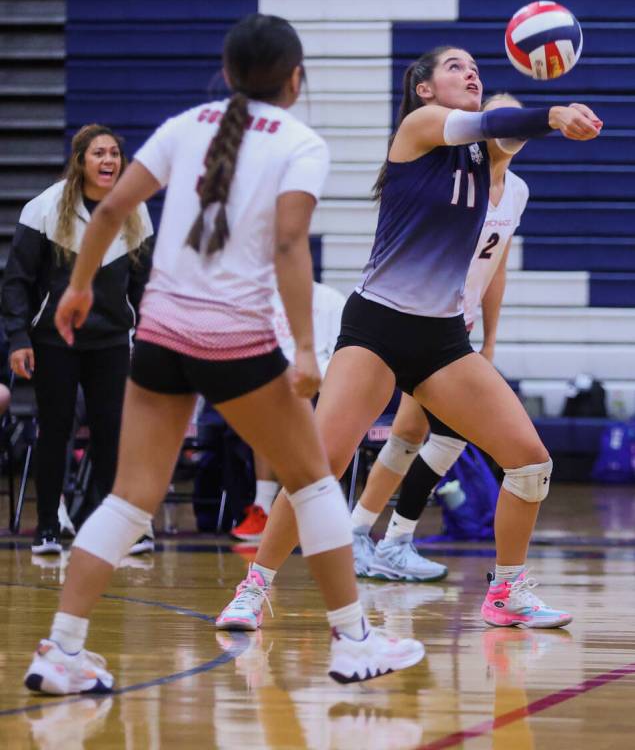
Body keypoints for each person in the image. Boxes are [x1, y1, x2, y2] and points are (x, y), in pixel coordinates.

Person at [23, 14, 424, 696]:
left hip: (158, 336)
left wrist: (80, 286)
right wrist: (303, 347)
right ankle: (355, 639)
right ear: (296, 79)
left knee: (128, 499)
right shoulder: (301, 143)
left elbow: (112, 210)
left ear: (227, 69)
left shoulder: (187, 124)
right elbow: (289, 245)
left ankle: (62, 649)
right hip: (235, 339)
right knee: (315, 483)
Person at [218, 46, 602, 633]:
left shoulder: (488, 154)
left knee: (530, 464)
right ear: (424, 88)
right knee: (321, 465)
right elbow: (497, 121)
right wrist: (552, 114)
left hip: (443, 338)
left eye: (476, 67)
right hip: (377, 325)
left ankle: (506, 592)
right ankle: (253, 589)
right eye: (455, 67)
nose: (471, 72)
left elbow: (504, 133)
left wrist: (551, 118)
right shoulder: (419, 127)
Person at [352, 93, 530, 582]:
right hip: (419, 318)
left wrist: (490, 340)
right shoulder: (455, 181)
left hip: (457, 328)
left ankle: (370, 535)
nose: (510, 125)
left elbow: (496, 270)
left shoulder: (515, 191)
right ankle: (382, 538)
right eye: (501, 116)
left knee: (415, 433)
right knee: (441, 433)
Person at [1, 124, 154, 555]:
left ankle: (119, 532)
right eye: (98, 154)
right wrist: (17, 338)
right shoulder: (44, 208)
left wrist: (148, 336)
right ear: (80, 161)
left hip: (110, 340)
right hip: (54, 340)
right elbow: (16, 281)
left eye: (114, 154)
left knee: (113, 435)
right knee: (55, 431)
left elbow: (145, 284)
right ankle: (47, 527)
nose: (108, 161)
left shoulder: (133, 210)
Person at [231, 280, 345, 541]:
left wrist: (310, 375)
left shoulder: (330, 299)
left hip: (319, 386)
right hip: (272, 387)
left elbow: (341, 355)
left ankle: (303, 509)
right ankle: (264, 509)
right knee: (264, 411)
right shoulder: (260, 300)